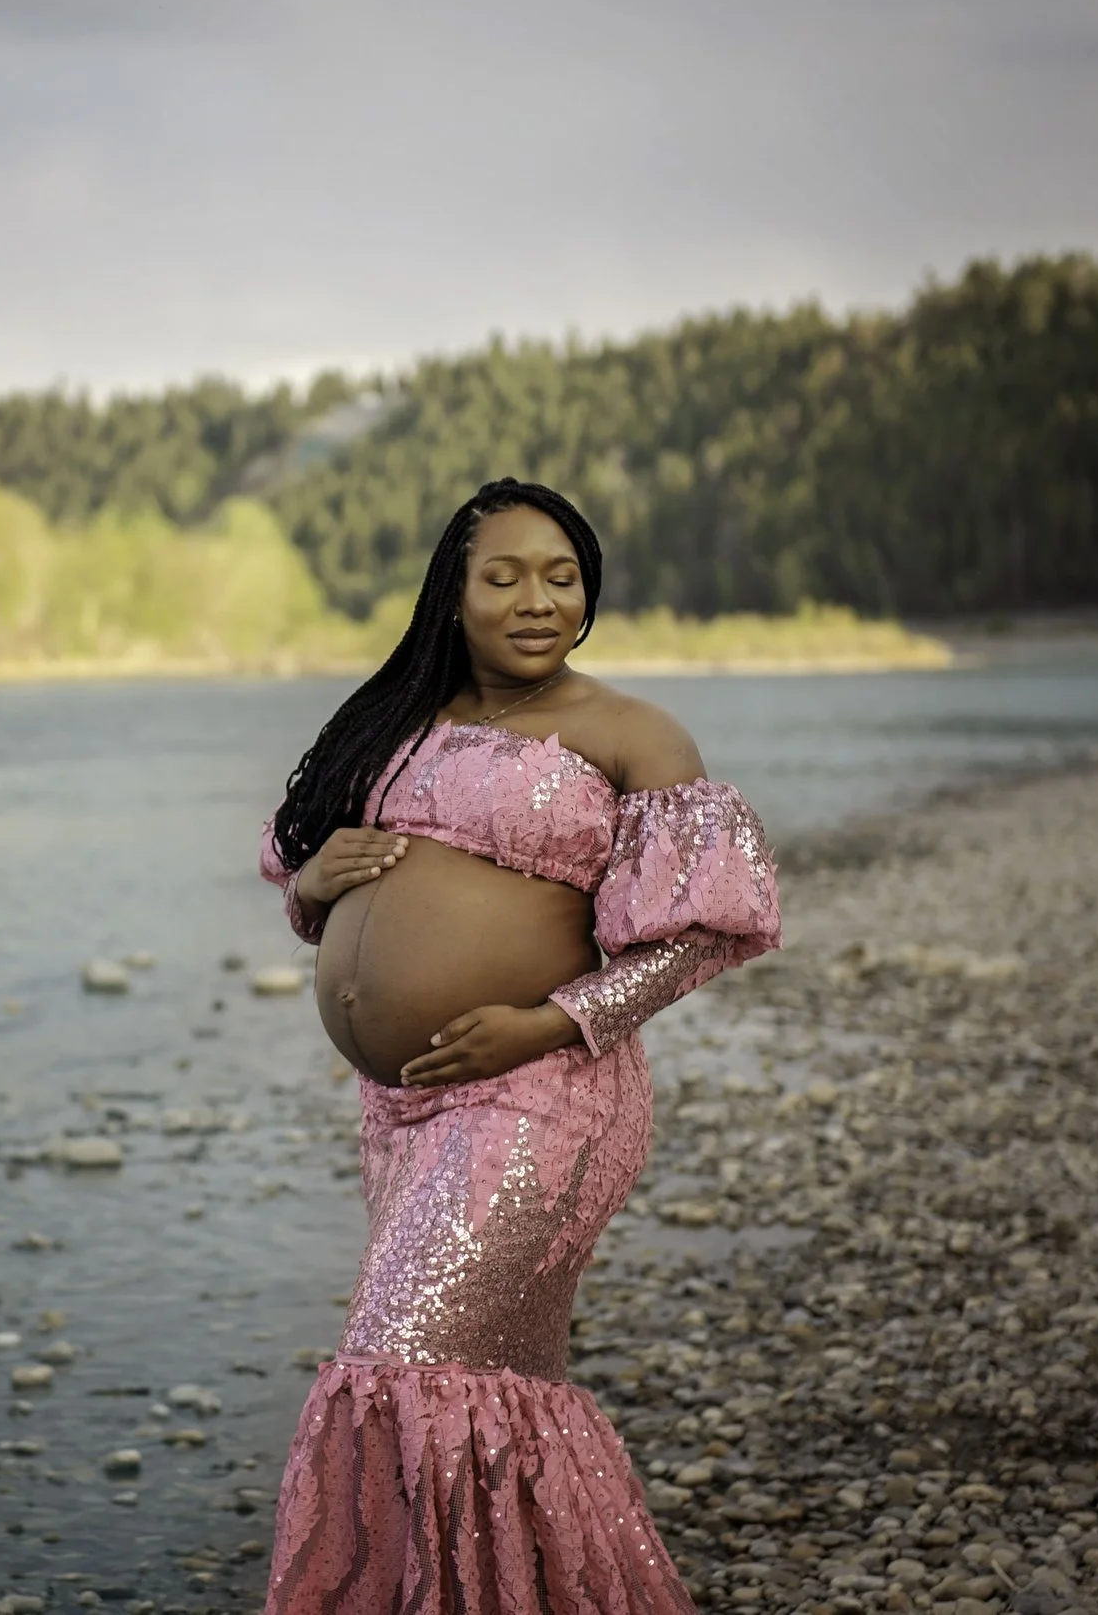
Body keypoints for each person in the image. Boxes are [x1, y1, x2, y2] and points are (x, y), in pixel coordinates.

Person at [255, 478, 782, 1613]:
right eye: (503, 576)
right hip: (400, 1111)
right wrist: (312, 882)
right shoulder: (397, 722)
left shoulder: (630, 733)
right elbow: (303, 874)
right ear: (453, 594)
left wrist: (547, 1021)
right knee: (479, 1374)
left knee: (406, 1359)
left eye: (561, 575)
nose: (537, 599)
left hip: (542, 1093)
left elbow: (696, 936)